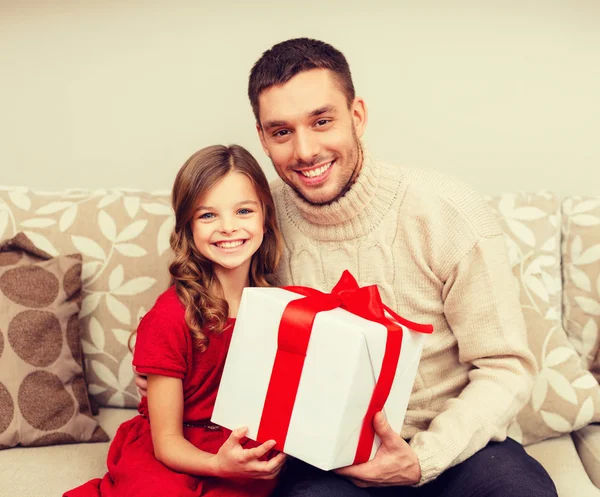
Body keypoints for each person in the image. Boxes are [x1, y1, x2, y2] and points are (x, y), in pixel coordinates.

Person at [138, 39, 558, 496]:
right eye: (281, 132)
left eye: (322, 121)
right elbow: (202, 300)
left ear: (356, 115)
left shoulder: (448, 213)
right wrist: (156, 363)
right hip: (325, 459)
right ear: (261, 137)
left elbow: (506, 366)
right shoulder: (255, 221)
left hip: (454, 447)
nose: (305, 150)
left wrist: (424, 459)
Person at [65, 144, 286, 497]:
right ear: (188, 226)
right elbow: (166, 441)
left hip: (234, 448)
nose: (228, 227)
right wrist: (217, 465)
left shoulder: (278, 308)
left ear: (265, 218)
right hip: (170, 449)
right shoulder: (169, 317)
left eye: (243, 210)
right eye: (208, 215)